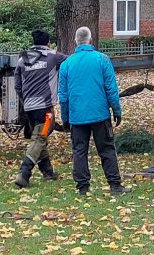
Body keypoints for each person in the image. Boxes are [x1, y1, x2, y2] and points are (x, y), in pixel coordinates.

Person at [58, 26, 126, 196]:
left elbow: (63, 96)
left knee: (79, 151)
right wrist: (116, 110)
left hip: (77, 115)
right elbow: (111, 88)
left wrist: (65, 118)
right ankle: (115, 185)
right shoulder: (102, 60)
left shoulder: (66, 64)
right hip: (100, 114)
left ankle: (83, 187)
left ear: (76, 41)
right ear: (91, 40)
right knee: (107, 149)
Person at [13, 29, 67, 188]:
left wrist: (26, 100)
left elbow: (17, 86)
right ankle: (24, 173)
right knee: (40, 138)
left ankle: (48, 171)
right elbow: (73, 62)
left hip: (29, 108)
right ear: (47, 42)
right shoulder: (53, 56)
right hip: (45, 109)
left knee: (39, 135)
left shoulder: (22, 60)